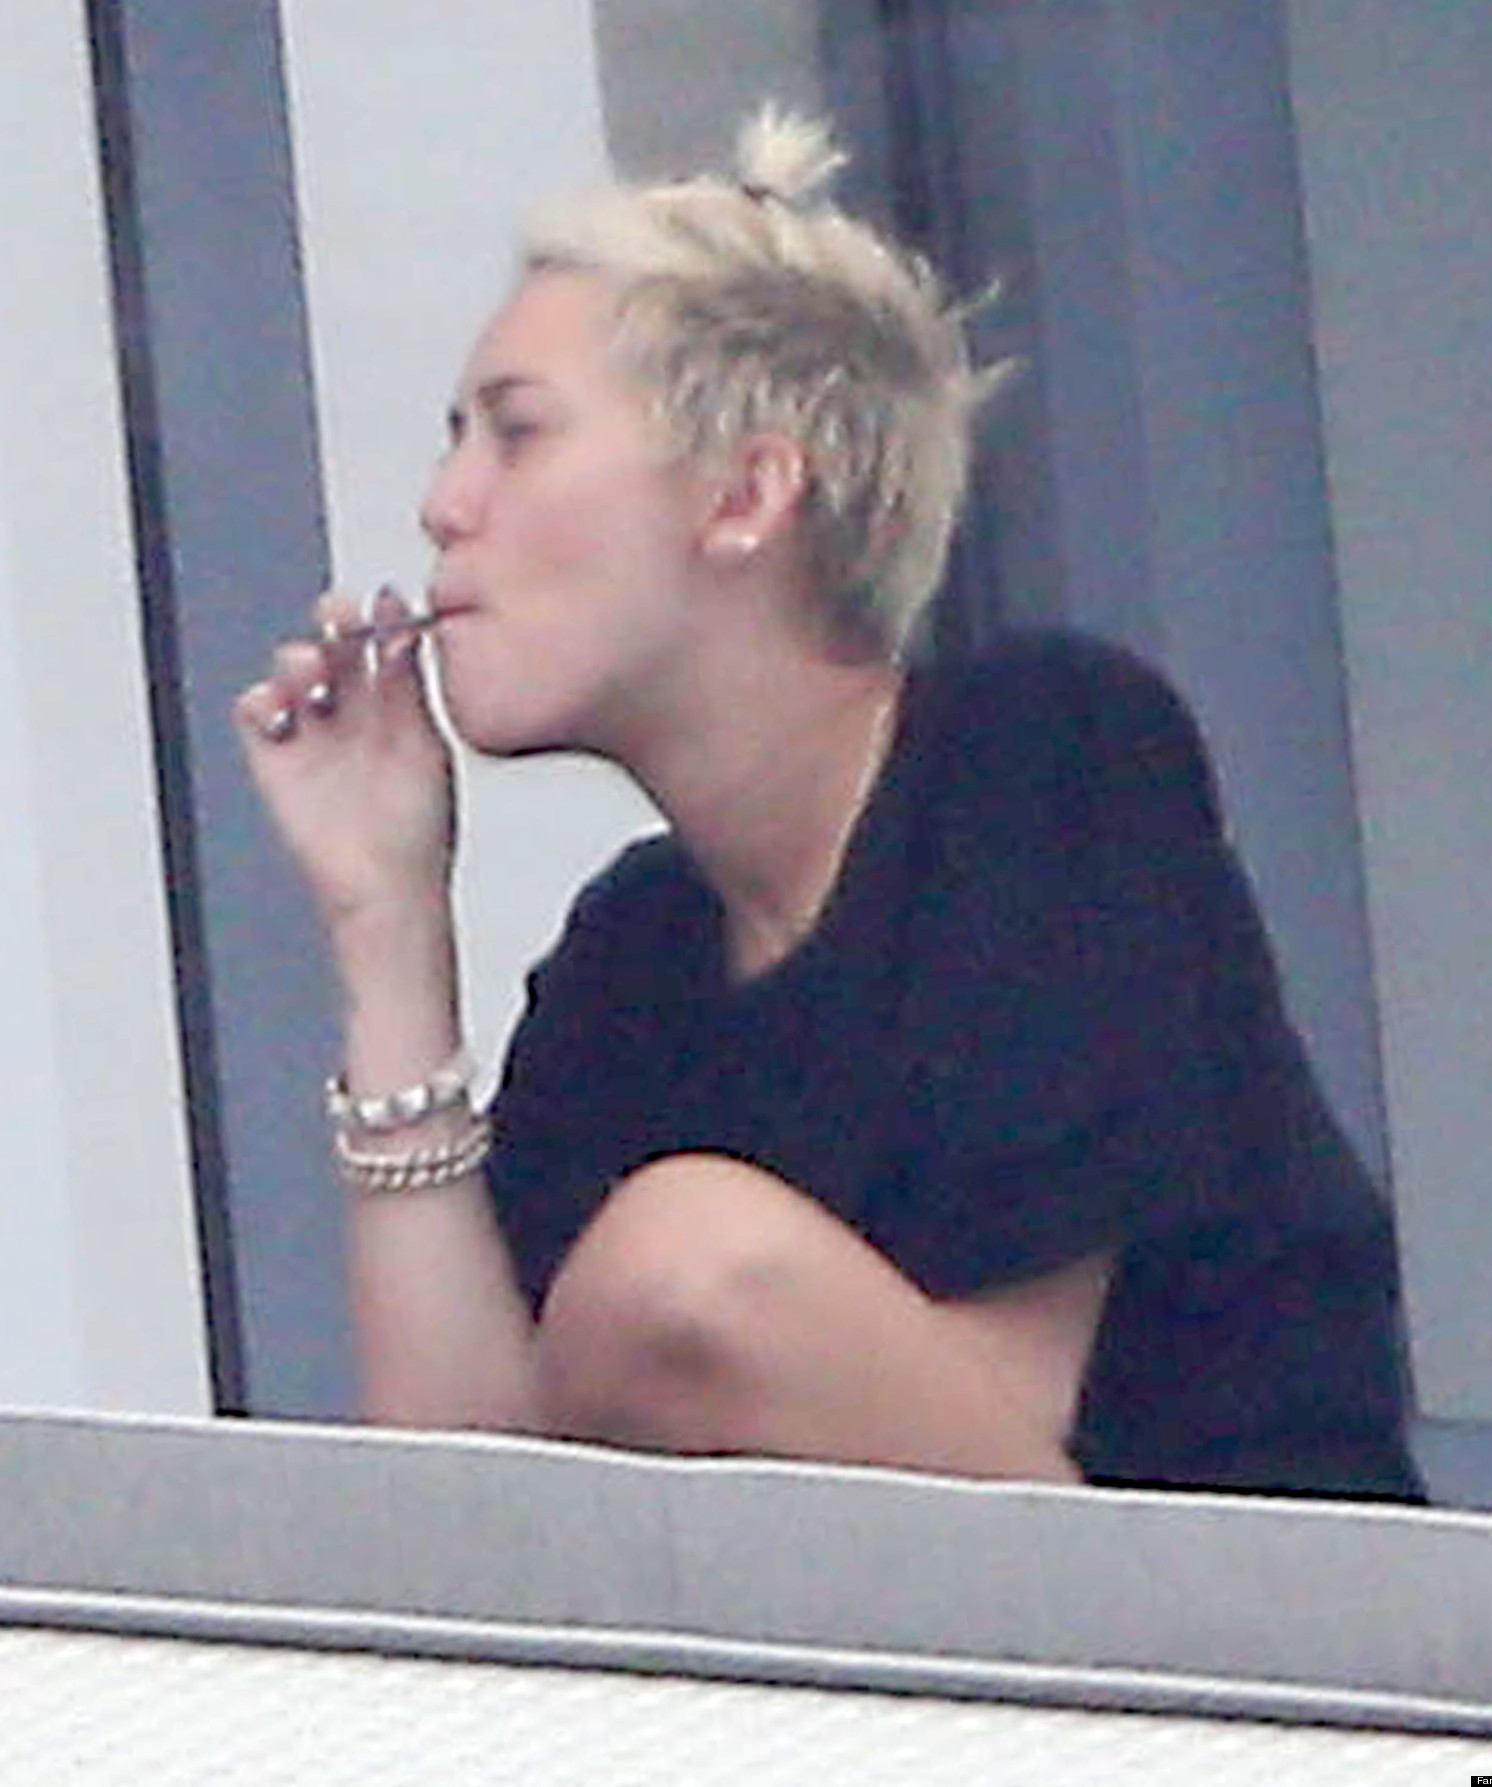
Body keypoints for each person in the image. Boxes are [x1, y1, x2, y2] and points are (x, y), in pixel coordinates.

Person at [235, 108, 1422, 1498]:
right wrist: (385, 927)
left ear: (747, 493)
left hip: (1245, 1625)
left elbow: (998, 1442)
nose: (446, 505)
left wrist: (641, 1351)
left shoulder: (1040, 759)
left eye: (518, 434)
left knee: (683, 1266)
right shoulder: (633, 964)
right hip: (921, 1628)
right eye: (457, 443)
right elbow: (468, 1516)